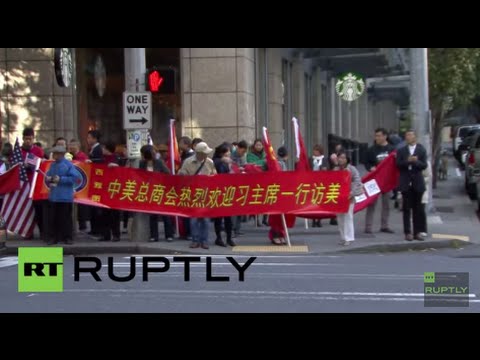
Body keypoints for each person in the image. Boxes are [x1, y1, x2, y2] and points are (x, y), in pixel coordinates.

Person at [178, 142, 217, 249]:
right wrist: (182, 174)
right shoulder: (188, 162)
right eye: (204, 153)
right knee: (194, 219)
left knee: (205, 219)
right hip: (192, 194)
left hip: (205, 194)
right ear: (199, 153)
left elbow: (215, 175)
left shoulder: (210, 162)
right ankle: (195, 240)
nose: (206, 154)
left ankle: (204, 241)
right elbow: (182, 174)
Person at [45, 145, 81, 245]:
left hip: (65, 196)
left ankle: (68, 237)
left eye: (56, 153)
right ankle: (55, 237)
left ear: (61, 154)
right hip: (54, 196)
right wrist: (49, 179)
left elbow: (75, 178)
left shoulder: (68, 165)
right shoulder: (53, 165)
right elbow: (50, 176)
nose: (54, 155)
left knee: (66, 218)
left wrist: (60, 179)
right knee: (54, 218)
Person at [396, 129, 428, 241]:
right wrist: (408, 161)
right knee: (406, 208)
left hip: (417, 182)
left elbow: (424, 165)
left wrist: (416, 161)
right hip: (405, 182)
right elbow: (398, 165)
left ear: (415, 137)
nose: (408, 137)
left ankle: (417, 231)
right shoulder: (401, 150)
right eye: (407, 135)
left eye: (410, 135)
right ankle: (407, 232)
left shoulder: (421, 150)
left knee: (418, 208)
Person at [139, 145, 174, 242]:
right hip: (149, 191)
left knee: (165, 214)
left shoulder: (159, 162)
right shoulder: (142, 163)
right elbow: (139, 175)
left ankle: (169, 235)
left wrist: (158, 178)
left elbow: (168, 173)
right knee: (152, 215)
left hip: (160, 190)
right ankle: (154, 236)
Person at [364, 128, 395, 234]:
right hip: (374, 180)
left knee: (386, 204)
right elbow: (366, 162)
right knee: (371, 202)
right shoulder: (371, 149)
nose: (376, 138)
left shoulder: (392, 149)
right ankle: (368, 227)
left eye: (379, 135)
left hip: (387, 180)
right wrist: (370, 168)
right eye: (376, 136)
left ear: (385, 136)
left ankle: (384, 225)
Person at [21, 128, 45, 239]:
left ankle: (43, 232)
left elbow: (42, 165)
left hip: (36, 184)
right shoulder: (18, 151)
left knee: (39, 209)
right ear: (23, 139)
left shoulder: (38, 151)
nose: (28, 141)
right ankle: (27, 232)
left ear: (33, 138)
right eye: (26, 139)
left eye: (30, 139)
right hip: (24, 185)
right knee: (25, 210)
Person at [335, 151, 364, 246]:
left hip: (349, 196)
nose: (342, 160)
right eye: (340, 157)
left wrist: (352, 192)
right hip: (338, 196)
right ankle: (343, 237)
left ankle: (349, 237)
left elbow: (357, 180)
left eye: (344, 158)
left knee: (348, 216)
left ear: (347, 159)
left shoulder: (352, 169)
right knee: (339, 218)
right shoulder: (335, 169)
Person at [212, 144, 235, 247]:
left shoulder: (227, 162)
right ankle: (219, 238)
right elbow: (216, 168)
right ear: (222, 153)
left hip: (227, 192)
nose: (229, 153)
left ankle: (229, 238)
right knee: (218, 217)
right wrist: (222, 160)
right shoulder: (216, 161)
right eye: (227, 151)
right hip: (217, 192)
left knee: (228, 218)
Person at [310, 144, 328, 227]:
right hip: (313, 182)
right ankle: (313, 219)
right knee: (313, 201)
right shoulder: (310, 160)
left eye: (317, 151)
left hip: (321, 183)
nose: (315, 152)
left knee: (321, 201)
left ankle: (319, 219)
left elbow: (328, 169)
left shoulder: (324, 160)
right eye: (314, 151)